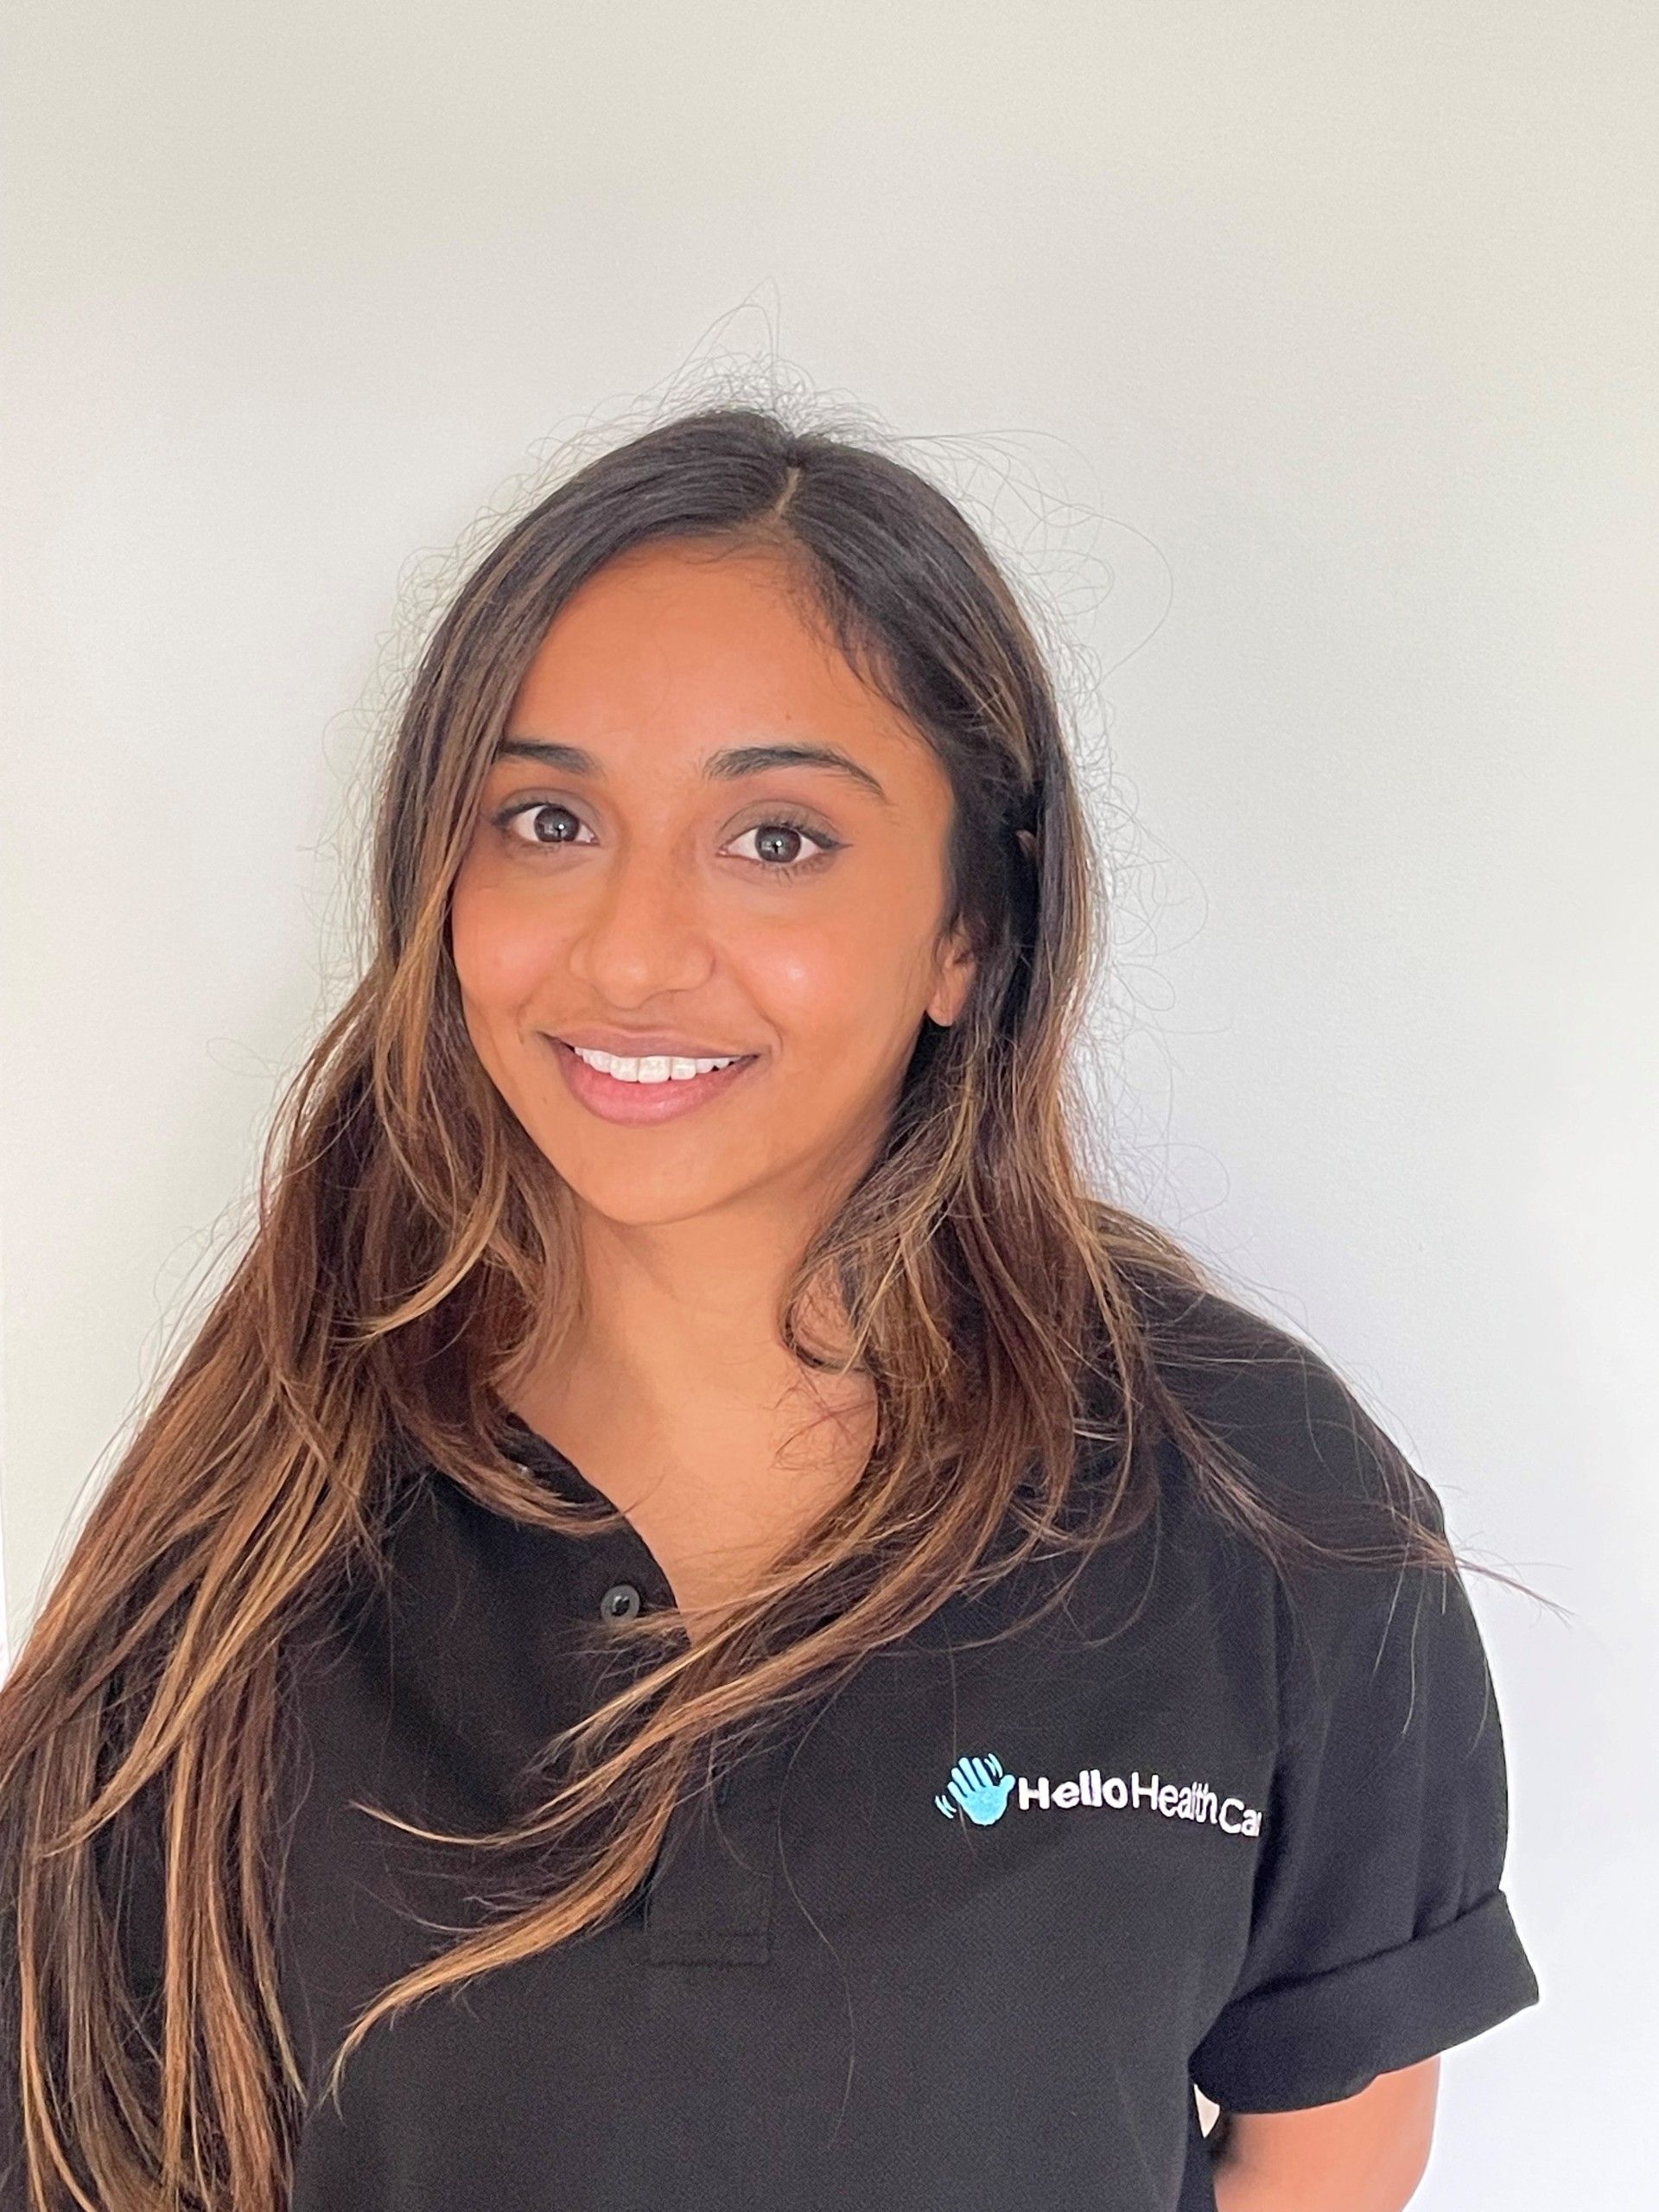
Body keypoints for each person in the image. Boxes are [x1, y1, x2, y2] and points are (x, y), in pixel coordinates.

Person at [0, 404, 1540, 2211]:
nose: (634, 948)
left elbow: (1330, 2127)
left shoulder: (1264, 1495)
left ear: (975, 929)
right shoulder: (248, 1544)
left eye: (780, 837)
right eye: (548, 816)